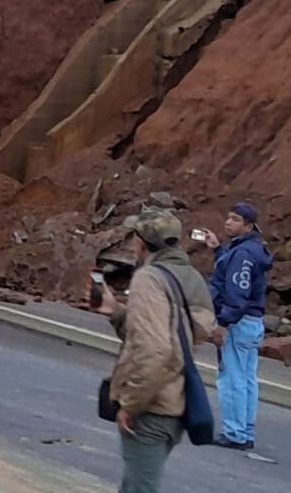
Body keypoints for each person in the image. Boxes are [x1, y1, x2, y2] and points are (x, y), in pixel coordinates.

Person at [94, 208, 216, 493]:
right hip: (175, 405)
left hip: (152, 408)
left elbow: (157, 350)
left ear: (140, 242)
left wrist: (132, 404)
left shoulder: (148, 278)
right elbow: (179, 338)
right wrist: (117, 313)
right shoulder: (193, 279)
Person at [202, 201, 272, 450]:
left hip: (238, 324)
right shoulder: (250, 251)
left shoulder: (243, 253)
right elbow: (236, 275)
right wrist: (217, 250)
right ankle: (246, 431)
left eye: (235, 219)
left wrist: (223, 322)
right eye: (228, 217)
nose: (228, 222)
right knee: (247, 378)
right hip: (253, 322)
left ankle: (234, 433)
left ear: (249, 225)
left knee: (232, 379)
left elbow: (237, 290)